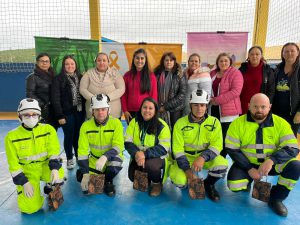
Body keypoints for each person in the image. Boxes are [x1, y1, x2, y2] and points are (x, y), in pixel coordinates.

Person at [225, 93, 300, 217]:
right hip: (247, 165)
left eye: (263, 107)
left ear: (270, 107)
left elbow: (293, 148)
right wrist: (249, 168)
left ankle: (276, 198)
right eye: (255, 106)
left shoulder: (281, 124)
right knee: (235, 185)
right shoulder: (237, 123)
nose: (259, 110)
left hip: (272, 166)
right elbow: (231, 149)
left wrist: (271, 160)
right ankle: (247, 181)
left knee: (296, 166)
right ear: (249, 106)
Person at [4, 98, 64, 214]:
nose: (31, 118)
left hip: (45, 166)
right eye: (26, 115)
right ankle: (32, 195)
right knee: (30, 209)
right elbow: (13, 164)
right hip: (28, 172)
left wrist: (55, 169)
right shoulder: (11, 137)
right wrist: (24, 182)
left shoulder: (48, 130)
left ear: (39, 115)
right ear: (20, 116)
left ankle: (49, 186)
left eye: (34, 114)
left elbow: (54, 152)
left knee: (59, 177)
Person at [170, 89, 228, 201]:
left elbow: (217, 145)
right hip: (185, 158)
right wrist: (188, 171)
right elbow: (177, 149)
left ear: (206, 106)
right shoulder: (180, 123)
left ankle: (208, 184)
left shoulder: (215, 122)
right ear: (190, 105)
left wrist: (202, 157)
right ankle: (189, 182)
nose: (199, 109)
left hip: (205, 158)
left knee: (222, 166)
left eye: (202, 105)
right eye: (195, 105)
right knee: (179, 181)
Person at [77, 94, 124, 196]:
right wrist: (85, 173)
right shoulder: (85, 126)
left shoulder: (116, 123)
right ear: (92, 111)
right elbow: (82, 151)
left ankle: (108, 181)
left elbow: (119, 145)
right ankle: (98, 177)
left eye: (103, 109)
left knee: (114, 166)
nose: (100, 112)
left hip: (111, 158)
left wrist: (105, 156)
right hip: (94, 160)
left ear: (108, 110)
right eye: (97, 109)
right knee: (80, 177)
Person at [125, 97, 171, 196]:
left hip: (156, 158)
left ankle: (156, 183)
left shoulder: (162, 125)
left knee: (151, 166)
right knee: (132, 177)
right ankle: (148, 178)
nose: (147, 110)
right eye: (145, 107)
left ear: (155, 111)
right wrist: (137, 153)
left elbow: (163, 148)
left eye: (151, 108)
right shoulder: (134, 122)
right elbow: (127, 142)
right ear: (141, 109)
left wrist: (144, 154)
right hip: (138, 155)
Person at [51, 55, 85, 169]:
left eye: (72, 64)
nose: (70, 66)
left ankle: (79, 156)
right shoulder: (58, 79)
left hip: (79, 112)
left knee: (78, 136)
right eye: (67, 64)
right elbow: (55, 98)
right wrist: (60, 115)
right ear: (63, 66)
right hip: (66, 113)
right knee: (69, 136)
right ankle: (70, 158)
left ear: (75, 65)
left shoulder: (81, 77)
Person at [210, 53, 244, 157]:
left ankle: (222, 159)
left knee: (225, 137)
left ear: (230, 62)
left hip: (228, 112)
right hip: (213, 109)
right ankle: (214, 157)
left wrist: (217, 100)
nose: (223, 63)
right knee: (214, 136)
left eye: (226, 60)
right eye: (221, 61)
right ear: (217, 62)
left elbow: (235, 91)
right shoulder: (212, 73)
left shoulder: (235, 73)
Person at [80, 52, 125, 119]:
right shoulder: (88, 74)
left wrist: (108, 97)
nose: (101, 63)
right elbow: (82, 89)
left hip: (113, 113)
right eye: (99, 60)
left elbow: (121, 89)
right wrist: (94, 99)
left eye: (104, 60)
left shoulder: (115, 73)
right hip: (93, 113)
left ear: (108, 62)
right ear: (95, 62)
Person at [121, 48, 158, 124]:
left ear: (145, 60)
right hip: (131, 113)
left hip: (146, 112)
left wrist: (152, 111)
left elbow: (154, 96)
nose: (139, 61)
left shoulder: (151, 76)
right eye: (137, 58)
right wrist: (125, 110)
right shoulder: (127, 75)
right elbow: (123, 95)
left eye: (142, 58)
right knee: (133, 134)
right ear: (133, 59)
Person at [272, 42, 300, 135]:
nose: (289, 53)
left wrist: (299, 112)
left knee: (290, 139)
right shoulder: (277, 69)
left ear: (297, 53)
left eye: (292, 51)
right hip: (277, 111)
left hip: (293, 113)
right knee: (276, 137)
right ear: (282, 54)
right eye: (286, 51)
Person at [154, 52, 187, 129]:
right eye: (166, 60)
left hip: (175, 110)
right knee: (160, 130)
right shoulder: (156, 73)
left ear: (174, 61)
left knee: (174, 131)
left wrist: (165, 107)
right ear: (163, 61)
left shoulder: (180, 74)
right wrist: (158, 106)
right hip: (158, 108)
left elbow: (182, 94)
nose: (169, 62)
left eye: (171, 60)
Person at [239, 46, 275, 114]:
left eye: (257, 54)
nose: (254, 56)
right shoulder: (242, 69)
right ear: (248, 56)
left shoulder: (268, 70)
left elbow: (271, 91)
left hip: (259, 107)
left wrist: (266, 105)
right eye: (252, 54)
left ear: (261, 56)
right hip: (243, 105)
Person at [26, 53, 57, 129]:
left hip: (54, 111)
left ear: (49, 63)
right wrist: (44, 105)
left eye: (47, 61)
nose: (44, 63)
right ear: (37, 62)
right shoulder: (32, 77)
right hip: (41, 111)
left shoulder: (54, 75)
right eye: (42, 61)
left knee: (52, 133)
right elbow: (30, 94)